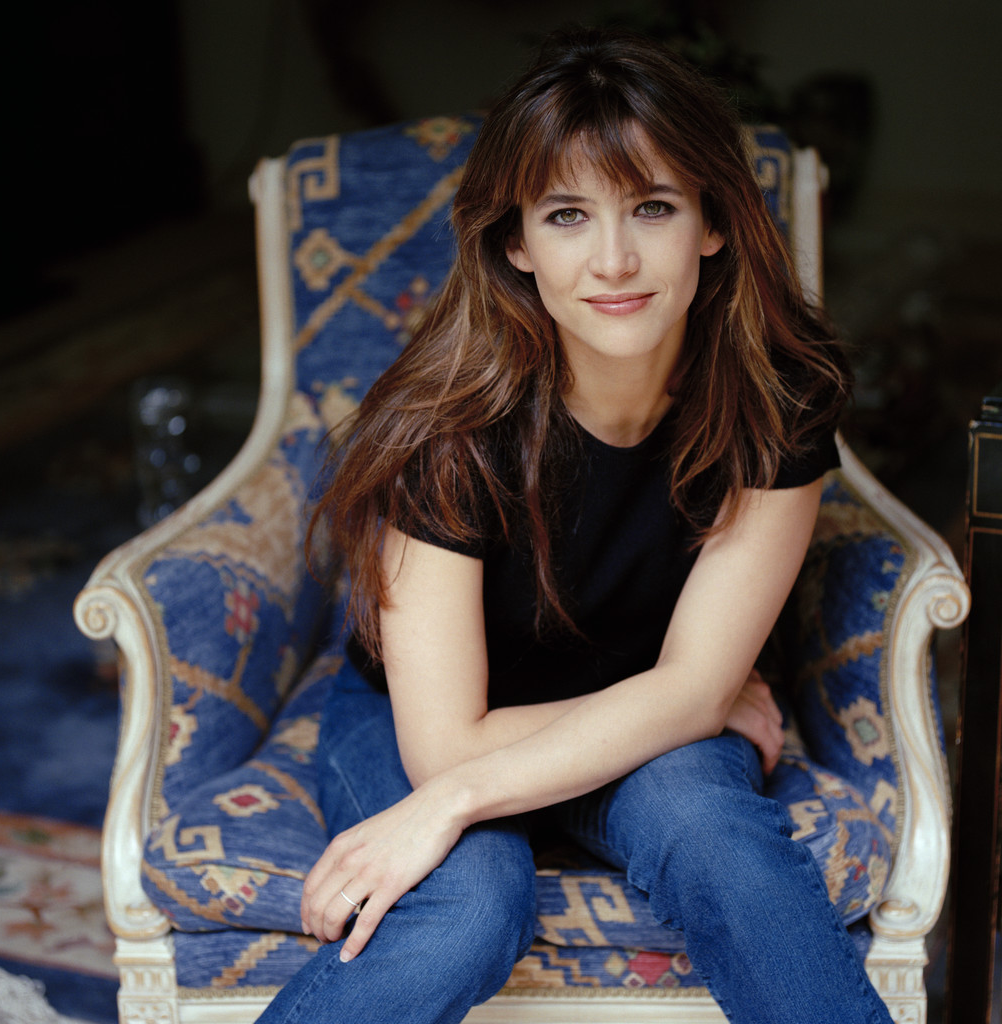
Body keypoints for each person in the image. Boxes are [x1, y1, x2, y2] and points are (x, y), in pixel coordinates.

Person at [259, 25, 892, 1024]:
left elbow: (690, 689)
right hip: (420, 720)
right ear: (515, 242)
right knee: (470, 906)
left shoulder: (780, 396)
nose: (614, 259)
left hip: (644, 726)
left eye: (653, 207)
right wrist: (683, 700)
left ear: (712, 221)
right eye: (566, 215)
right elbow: (445, 747)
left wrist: (683, 701)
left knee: (726, 849)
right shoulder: (443, 428)